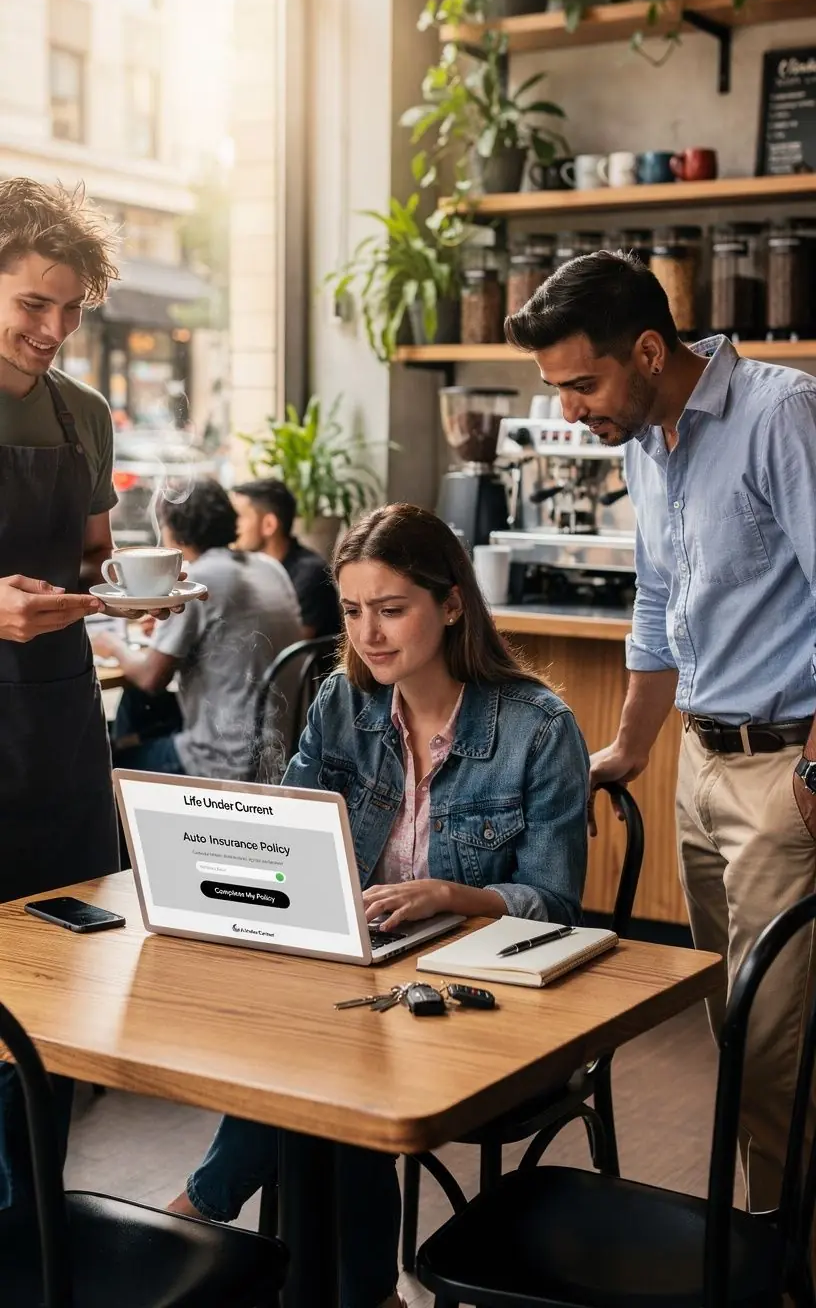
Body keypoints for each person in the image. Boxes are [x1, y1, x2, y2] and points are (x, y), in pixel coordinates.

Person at [166, 502, 590, 1308]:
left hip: (490, 1014)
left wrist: (455, 896)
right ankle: (363, 1295)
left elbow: (560, 907)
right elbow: (290, 834)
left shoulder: (539, 727)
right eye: (354, 611)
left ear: (452, 602)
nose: (369, 634)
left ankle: (203, 1220)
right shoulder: (342, 704)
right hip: (361, 990)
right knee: (327, 1055)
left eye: (392, 610)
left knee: (325, 1065)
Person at [505, 249, 816, 1221]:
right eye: (556, 390)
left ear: (647, 349)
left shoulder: (781, 414)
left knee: (778, 1055)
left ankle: (780, 1276)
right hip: (701, 762)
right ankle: (763, 1251)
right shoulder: (647, 438)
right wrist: (631, 747)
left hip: (786, 772)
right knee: (742, 1036)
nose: (570, 411)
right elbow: (657, 600)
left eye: (581, 383)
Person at [0, 178, 129, 1217]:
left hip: (54, 726)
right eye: (34, 305)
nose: (54, 329)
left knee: (60, 986)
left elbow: (92, 552)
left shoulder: (85, 414)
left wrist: (126, 592)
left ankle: (40, 1215)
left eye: (71, 308)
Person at [95, 479, 302, 781]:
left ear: (172, 530)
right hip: (281, 750)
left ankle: (137, 812)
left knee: (107, 761)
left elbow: (151, 677)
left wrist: (110, 643)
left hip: (224, 763)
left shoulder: (197, 581)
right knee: (136, 704)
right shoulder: (267, 566)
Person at [231, 477, 341, 638]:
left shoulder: (310, 574)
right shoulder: (250, 569)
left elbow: (288, 646)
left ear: (269, 524)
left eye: (239, 516)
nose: (233, 525)